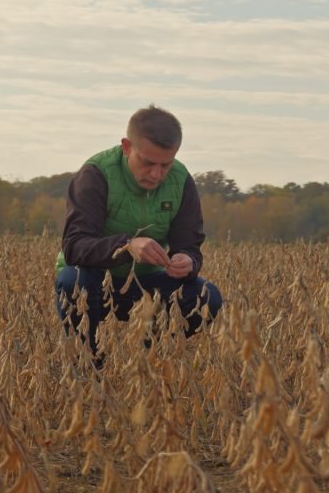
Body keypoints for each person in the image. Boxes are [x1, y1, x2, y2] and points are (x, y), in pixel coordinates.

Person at [54, 104, 223, 361]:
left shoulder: (181, 181)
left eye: (165, 165)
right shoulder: (96, 173)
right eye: (147, 162)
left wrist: (188, 261)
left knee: (207, 297)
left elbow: (189, 245)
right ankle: (88, 363)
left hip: (147, 282)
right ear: (126, 147)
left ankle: (145, 360)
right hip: (94, 279)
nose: (156, 174)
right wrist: (127, 246)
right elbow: (74, 246)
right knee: (73, 280)